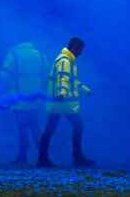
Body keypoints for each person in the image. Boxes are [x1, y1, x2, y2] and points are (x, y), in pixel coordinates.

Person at [37, 37, 95, 168]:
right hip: (62, 103)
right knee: (76, 126)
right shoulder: (65, 61)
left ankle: (43, 159)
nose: (81, 53)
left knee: (51, 130)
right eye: (80, 50)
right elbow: (63, 78)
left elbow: (71, 80)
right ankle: (76, 157)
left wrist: (83, 89)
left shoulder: (66, 60)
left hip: (60, 104)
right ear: (75, 48)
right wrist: (62, 93)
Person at [0, 42, 48, 165]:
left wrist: (6, 90)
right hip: (35, 99)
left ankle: (22, 157)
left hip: (19, 99)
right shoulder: (40, 55)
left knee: (22, 128)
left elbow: (5, 76)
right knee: (35, 127)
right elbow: (47, 76)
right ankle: (43, 156)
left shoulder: (14, 54)